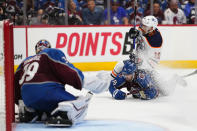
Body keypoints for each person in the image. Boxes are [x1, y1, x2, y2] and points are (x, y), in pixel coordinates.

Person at [14, 39, 108, 126]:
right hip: (48, 93)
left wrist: (21, 102)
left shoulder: (25, 61)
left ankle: (31, 112)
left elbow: (14, 87)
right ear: (49, 47)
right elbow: (68, 71)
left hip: (28, 98)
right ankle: (63, 114)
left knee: (41, 101)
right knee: (80, 101)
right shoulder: (50, 53)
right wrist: (84, 81)